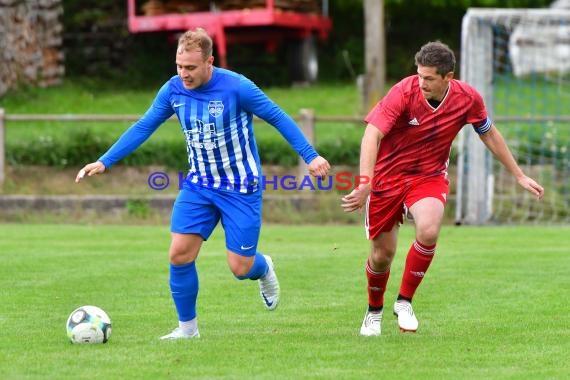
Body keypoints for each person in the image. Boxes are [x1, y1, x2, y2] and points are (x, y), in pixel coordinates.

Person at [75, 27, 330, 340]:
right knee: (179, 253)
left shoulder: (238, 87)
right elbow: (144, 126)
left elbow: (277, 117)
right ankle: (188, 330)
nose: (184, 74)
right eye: (180, 66)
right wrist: (105, 160)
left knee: (240, 267)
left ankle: (262, 267)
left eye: (191, 68)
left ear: (210, 61)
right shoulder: (172, 91)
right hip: (199, 185)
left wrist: (310, 156)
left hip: (240, 187)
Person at [341, 41, 544, 336]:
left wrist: (518, 174)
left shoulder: (467, 99)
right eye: (419, 75)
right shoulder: (403, 91)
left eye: (429, 78)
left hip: (428, 176)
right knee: (382, 255)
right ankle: (374, 311)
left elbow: (489, 134)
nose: (421, 83)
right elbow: (371, 135)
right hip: (387, 177)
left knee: (429, 229)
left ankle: (405, 301)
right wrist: (365, 182)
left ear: (448, 77)